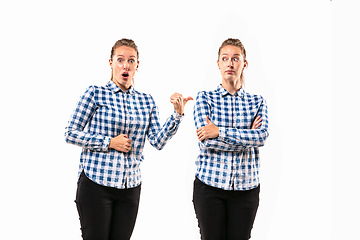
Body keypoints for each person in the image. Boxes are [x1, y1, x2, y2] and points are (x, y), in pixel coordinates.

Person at [64, 38, 192, 240]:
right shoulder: (95, 94)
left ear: (137, 66)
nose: (126, 65)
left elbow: (158, 141)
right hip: (96, 185)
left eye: (131, 61)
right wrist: (109, 142)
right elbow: (70, 132)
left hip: (130, 188)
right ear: (111, 63)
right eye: (120, 59)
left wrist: (177, 114)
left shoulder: (146, 101)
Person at [193, 38, 269, 240]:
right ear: (218, 63)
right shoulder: (204, 98)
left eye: (235, 58)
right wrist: (246, 137)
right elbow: (207, 141)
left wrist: (220, 132)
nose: (230, 63)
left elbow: (261, 136)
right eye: (225, 58)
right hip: (209, 187)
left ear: (244, 63)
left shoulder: (257, 102)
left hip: (246, 189)